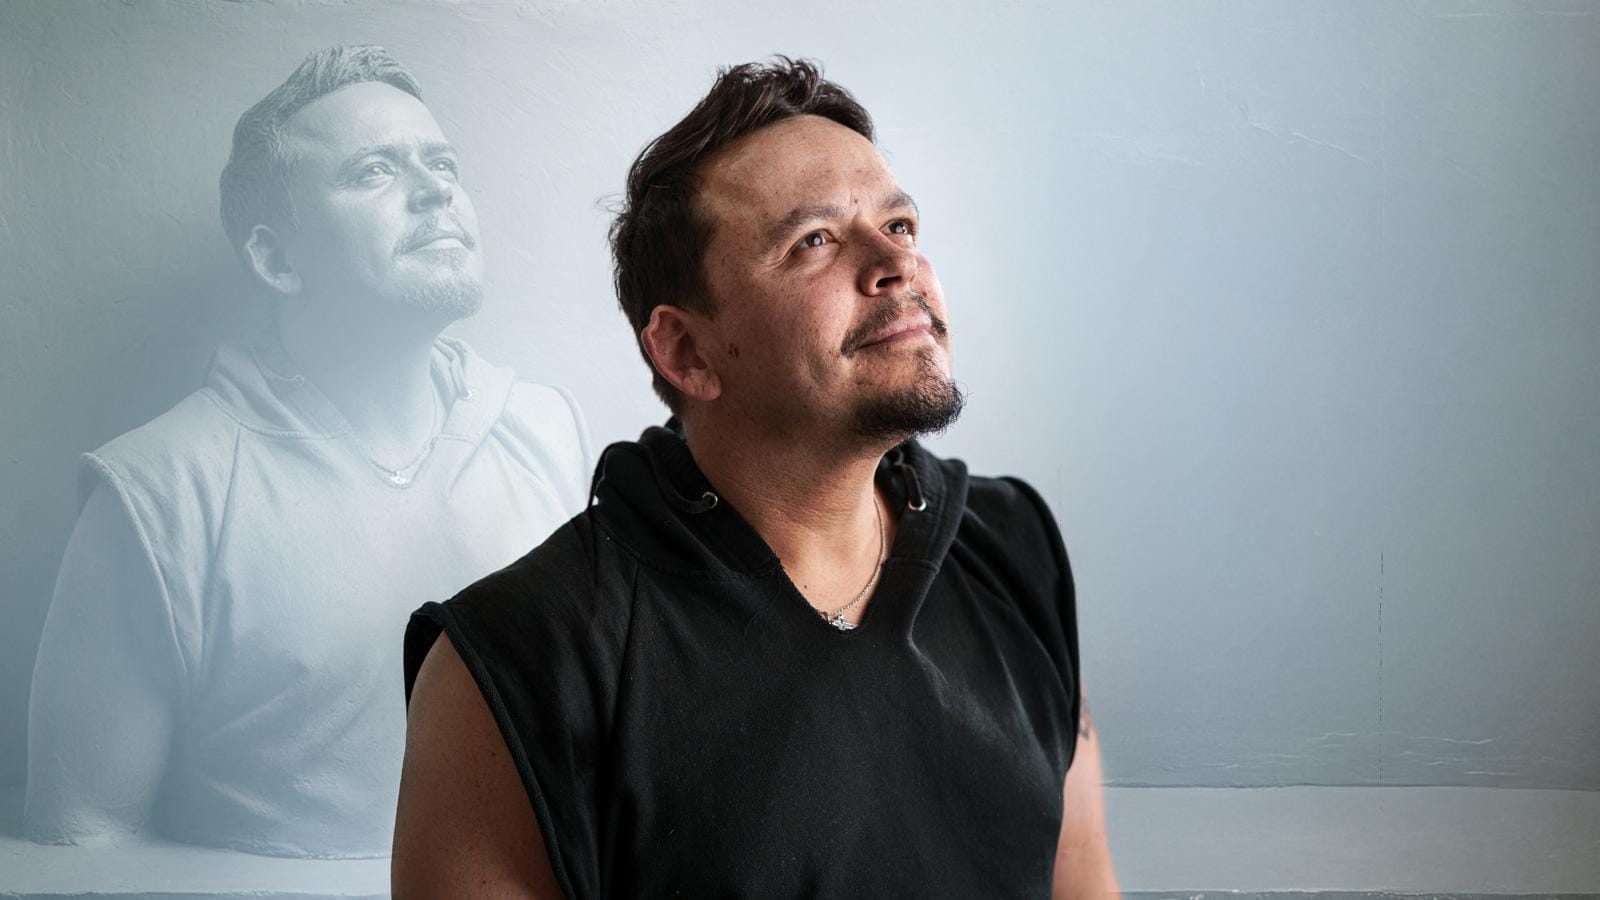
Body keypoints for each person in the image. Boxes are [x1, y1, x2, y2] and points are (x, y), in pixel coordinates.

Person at [393, 57, 1118, 896]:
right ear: (686, 351)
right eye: (815, 241)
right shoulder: (514, 663)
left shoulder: (1016, 549)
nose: (895, 263)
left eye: (901, 225)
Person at [25, 45, 591, 859]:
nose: (436, 190)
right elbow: (83, 843)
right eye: (374, 171)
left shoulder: (550, 430)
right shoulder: (154, 494)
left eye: (441, 163)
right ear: (275, 259)